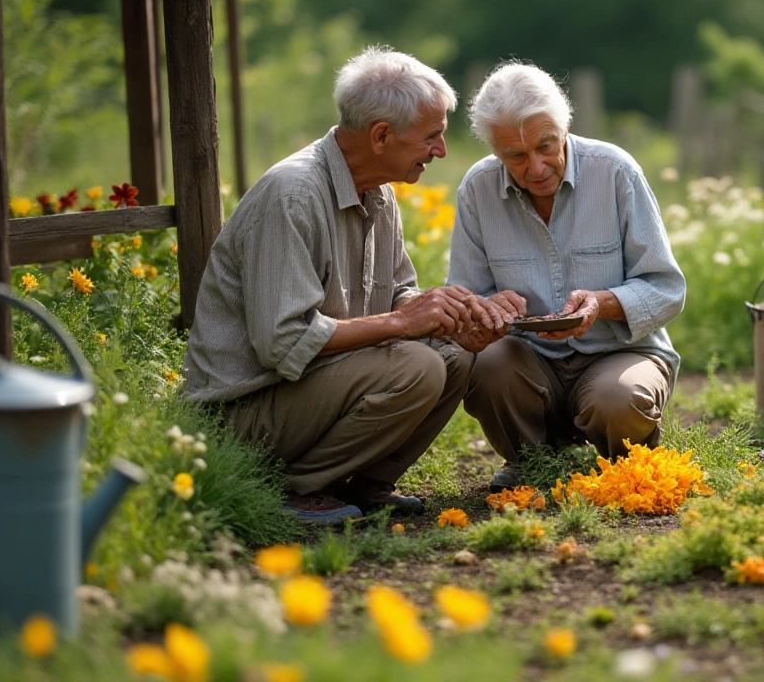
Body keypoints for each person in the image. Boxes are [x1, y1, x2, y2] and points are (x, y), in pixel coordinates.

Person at [182, 47, 518, 525]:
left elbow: (399, 294)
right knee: (417, 367)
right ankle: (291, 487)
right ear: (381, 135)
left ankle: (367, 483)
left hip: (309, 391)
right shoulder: (293, 195)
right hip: (241, 413)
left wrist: (448, 317)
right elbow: (284, 341)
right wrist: (404, 322)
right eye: (432, 137)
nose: (441, 151)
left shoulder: (378, 191)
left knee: (455, 356)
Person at [448, 62, 686, 491]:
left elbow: (666, 289)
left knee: (618, 400)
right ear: (494, 150)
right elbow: (465, 297)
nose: (536, 167)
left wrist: (602, 303)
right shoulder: (478, 189)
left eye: (546, 146)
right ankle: (531, 461)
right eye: (515, 156)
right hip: (528, 363)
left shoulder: (615, 172)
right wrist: (486, 309)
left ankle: (626, 464)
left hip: (620, 351)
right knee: (485, 365)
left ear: (566, 127)